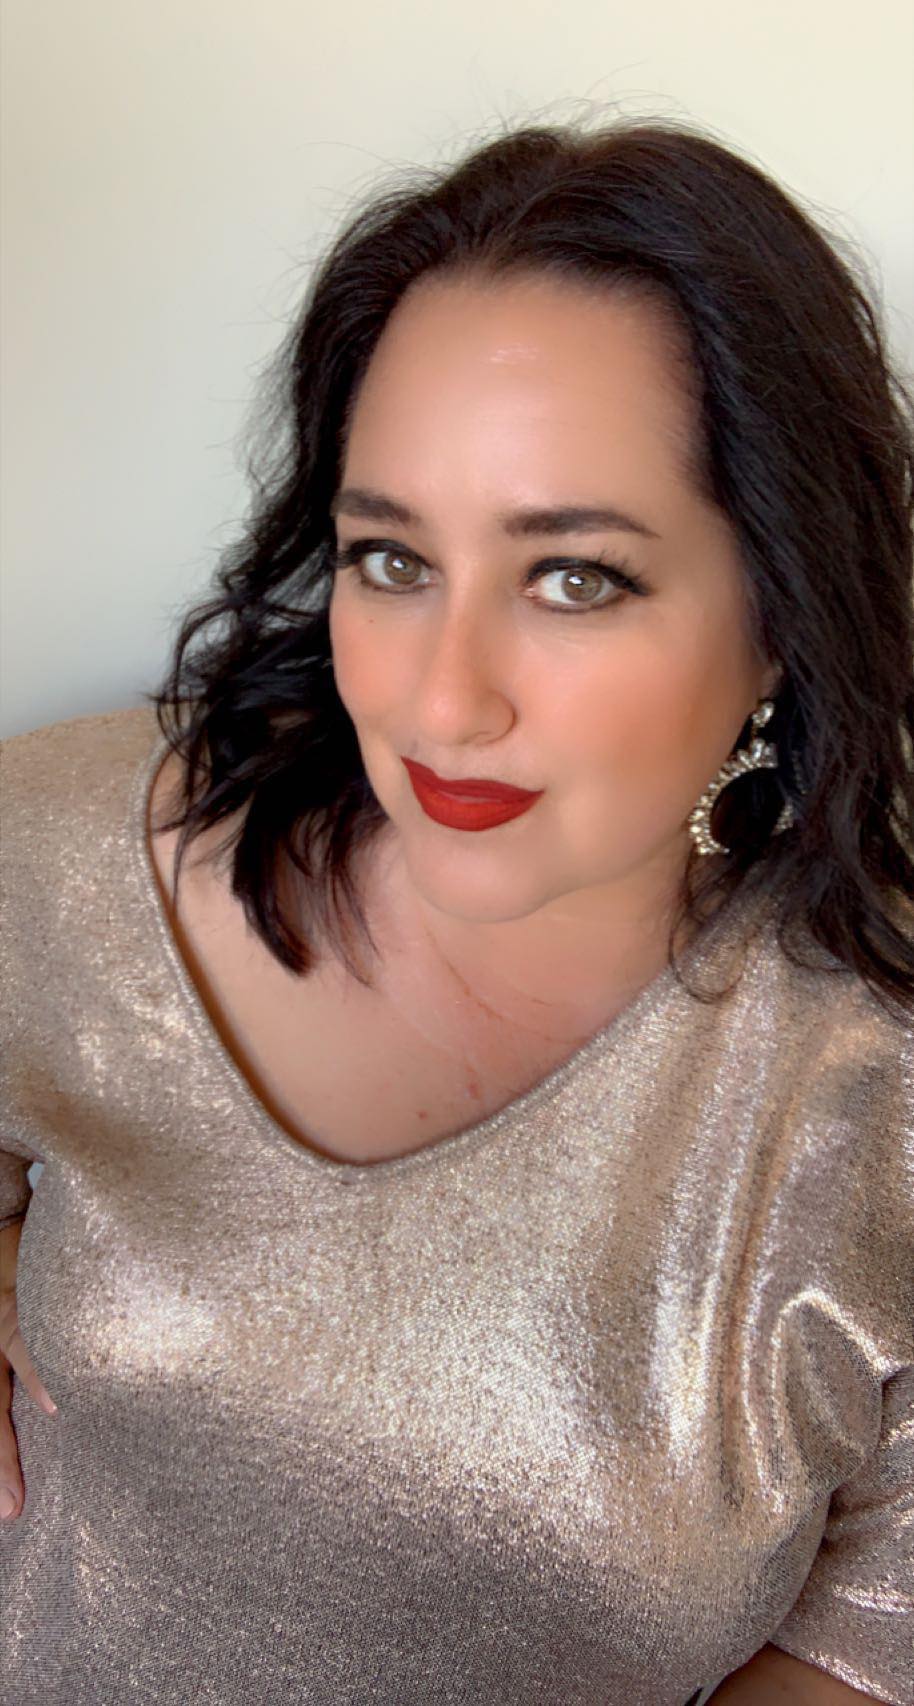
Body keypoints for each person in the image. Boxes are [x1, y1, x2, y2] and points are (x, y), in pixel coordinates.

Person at [1, 113, 912, 1706]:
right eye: (389, 558)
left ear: (781, 611)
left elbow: (870, 1634)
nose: (438, 700)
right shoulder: (70, 848)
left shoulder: (873, 1096)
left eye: (575, 577)